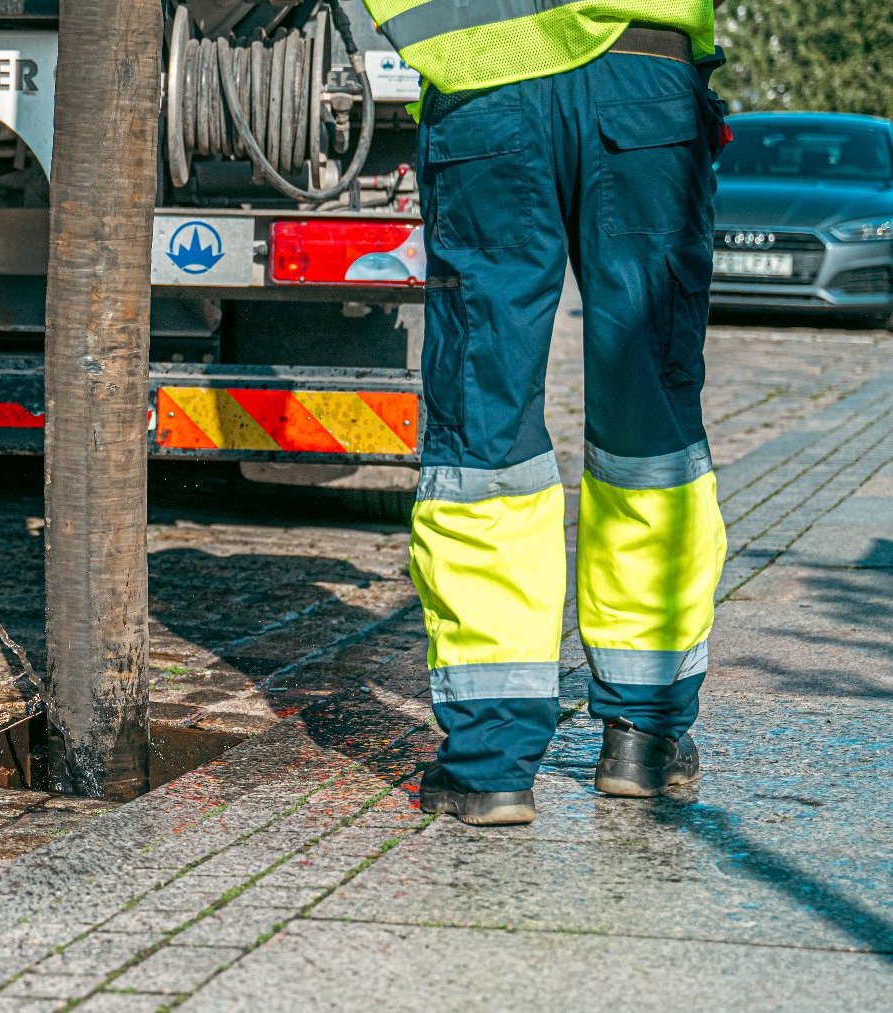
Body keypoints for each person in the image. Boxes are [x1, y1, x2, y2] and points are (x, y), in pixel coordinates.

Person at [358, 1, 730, 824]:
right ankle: (642, 735)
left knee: (483, 431)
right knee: (650, 430)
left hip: (485, 86)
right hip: (644, 77)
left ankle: (491, 763)